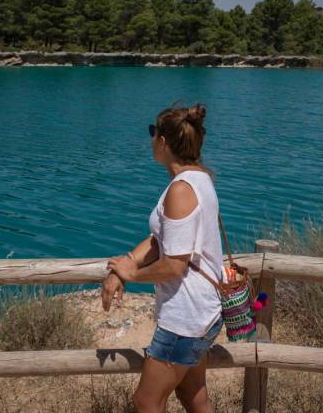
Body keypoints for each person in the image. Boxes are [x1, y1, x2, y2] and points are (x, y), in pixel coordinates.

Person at [102, 101, 224, 413]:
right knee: (194, 396)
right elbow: (163, 240)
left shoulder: (181, 190)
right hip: (203, 313)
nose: (150, 140)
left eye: (152, 133)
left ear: (163, 141)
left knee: (146, 401)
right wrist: (127, 261)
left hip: (186, 318)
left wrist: (132, 275)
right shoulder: (199, 179)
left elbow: (174, 264)